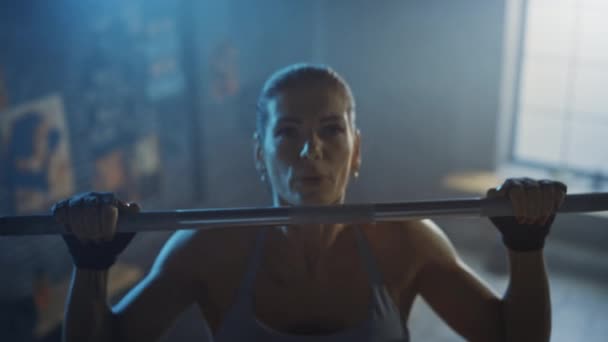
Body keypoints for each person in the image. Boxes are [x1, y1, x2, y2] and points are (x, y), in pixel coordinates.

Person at [53, 64, 566, 342]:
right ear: (260, 153)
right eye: (288, 132)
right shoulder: (207, 251)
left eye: (329, 131)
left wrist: (526, 243)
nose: (309, 151)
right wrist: (92, 263)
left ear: (356, 149)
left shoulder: (407, 242)